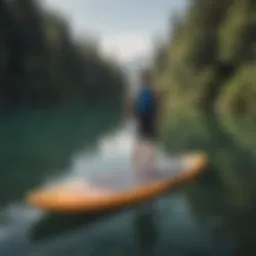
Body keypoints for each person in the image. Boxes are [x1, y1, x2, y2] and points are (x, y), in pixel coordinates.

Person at [125, 69, 159, 175]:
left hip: (141, 117)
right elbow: (156, 104)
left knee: (141, 139)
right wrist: (157, 117)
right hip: (147, 117)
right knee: (148, 140)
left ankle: (138, 164)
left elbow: (132, 103)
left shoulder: (139, 90)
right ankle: (149, 166)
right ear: (148, 78)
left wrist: (130, 115)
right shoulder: (150, 90)